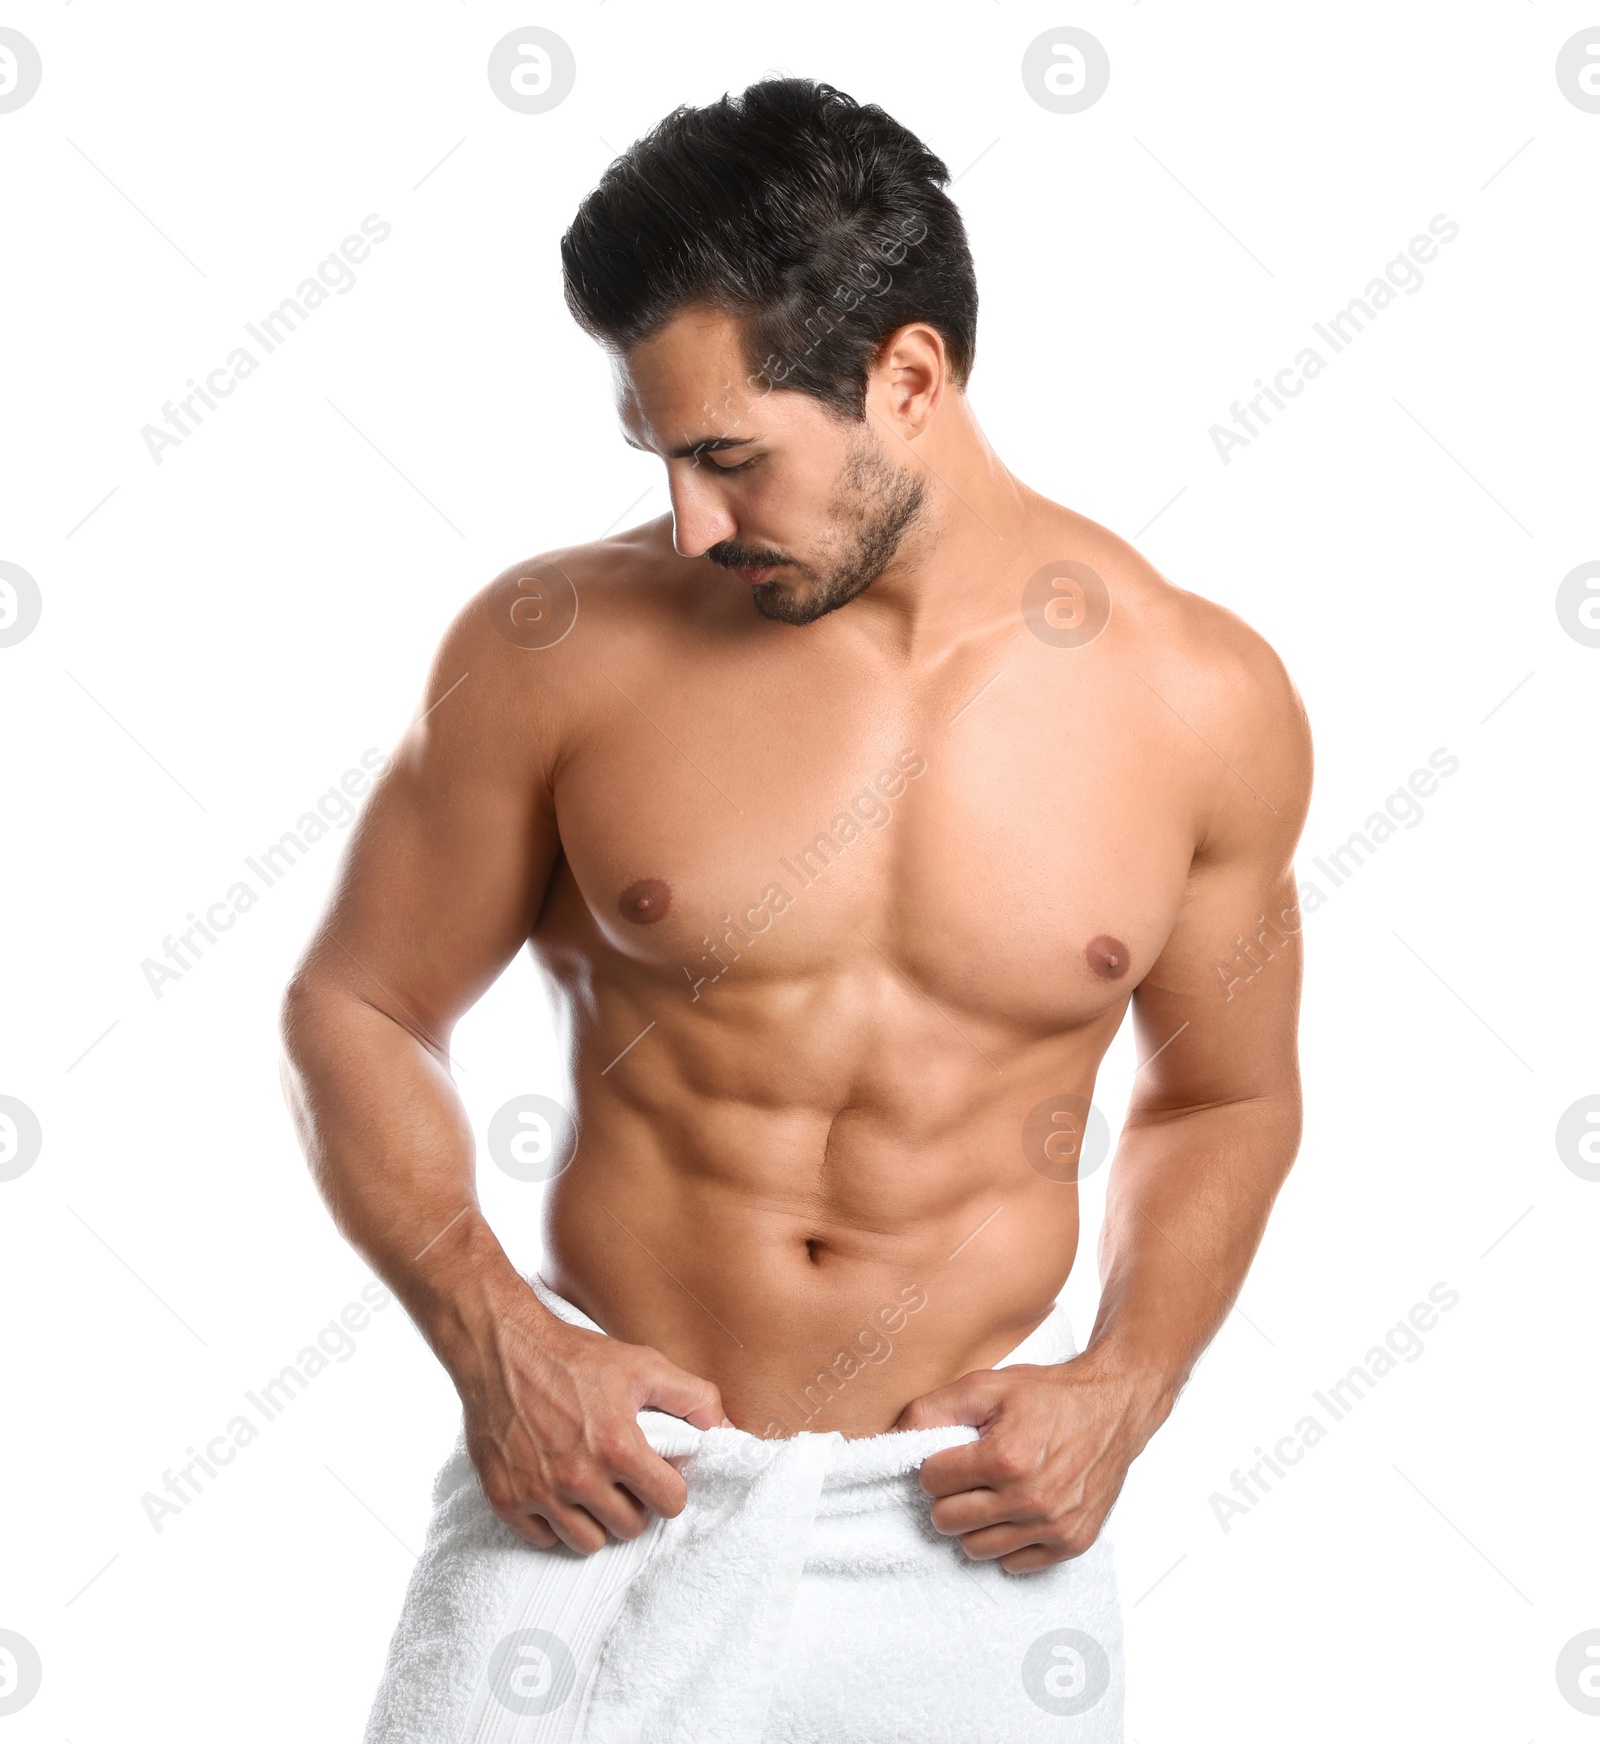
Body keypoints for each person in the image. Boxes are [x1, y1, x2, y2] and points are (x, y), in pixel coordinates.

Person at [280, 76, 1312, 1743]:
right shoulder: (557, 646)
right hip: (605, 1494)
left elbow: (1228, 1091)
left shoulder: (1199, 700)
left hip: (966, 1530)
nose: (692, 522)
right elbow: (356, 1004)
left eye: (731, 457)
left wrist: (1129, 1385)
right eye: (662, 457)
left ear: (908, 377)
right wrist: (495, 1343)